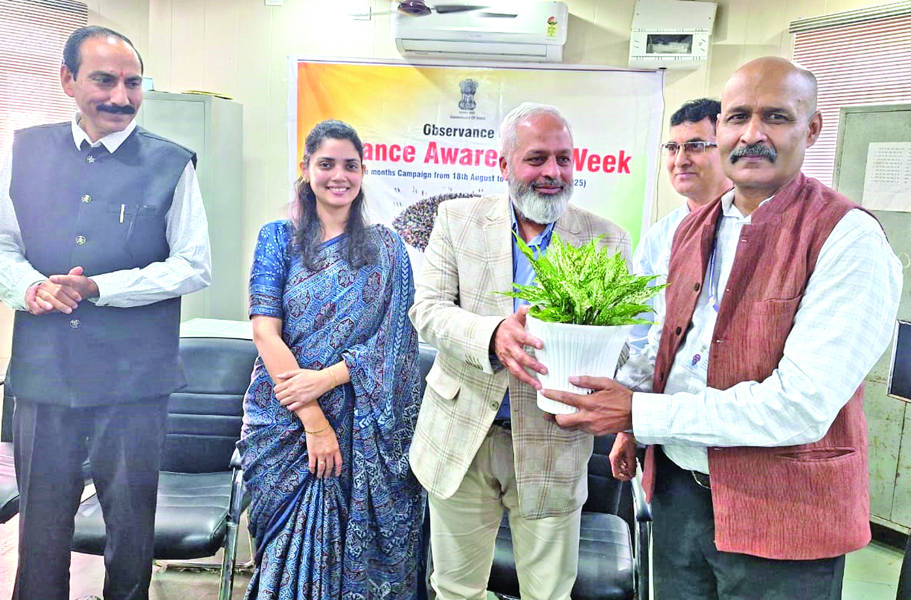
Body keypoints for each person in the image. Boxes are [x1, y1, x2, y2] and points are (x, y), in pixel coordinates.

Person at [542, 57, 903, 599]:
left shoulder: (847, 238)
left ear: (812, 129)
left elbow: (801, 404)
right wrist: (627, 420)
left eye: (775, 117)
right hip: (679, 498)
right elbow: (671, 345)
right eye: (738, 117)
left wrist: (639, 411)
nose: (752, 134)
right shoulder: (692, 229)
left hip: (784, 516)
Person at [0, 26, 211, 600]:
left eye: (133, 83)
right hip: (45, 371)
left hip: (134, 378)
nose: (121, 96)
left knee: (131, 528)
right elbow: (4, 244)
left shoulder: (171, 163)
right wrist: (30, 287)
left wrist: (100, 287)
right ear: (68, 80)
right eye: (104, 80)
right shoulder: (21, 151)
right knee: (41, 528)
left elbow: (193, 265)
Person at [409, 102, 631, 600]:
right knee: (455, 590)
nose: (553, 172)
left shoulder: (606, 240)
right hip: (462, 437)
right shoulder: (457, 220)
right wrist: (492, 336)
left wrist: (591, 365)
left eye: (563, 159)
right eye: (536, 159)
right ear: (504, 164)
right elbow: (428, 310)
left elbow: (620, 344)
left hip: (554, 444)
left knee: (548, 593)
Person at [238, 119, 424, 600]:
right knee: (284, 551)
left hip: (363, 421)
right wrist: (314, 422)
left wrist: (325, 379)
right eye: (326, 164)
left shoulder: (387, 248)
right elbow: (264, 330)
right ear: (306, 169)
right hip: (284, 417)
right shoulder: (277, 238)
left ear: (362, 172)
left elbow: (396, 342)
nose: (338, 176)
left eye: (350, 166)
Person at [626, 98, 731, 355]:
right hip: (661, 374)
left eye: (695, 146)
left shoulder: (752, 227)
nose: (680, 160)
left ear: (728, 149)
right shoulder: (659, 237)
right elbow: (638, 329)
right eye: (673, 148)